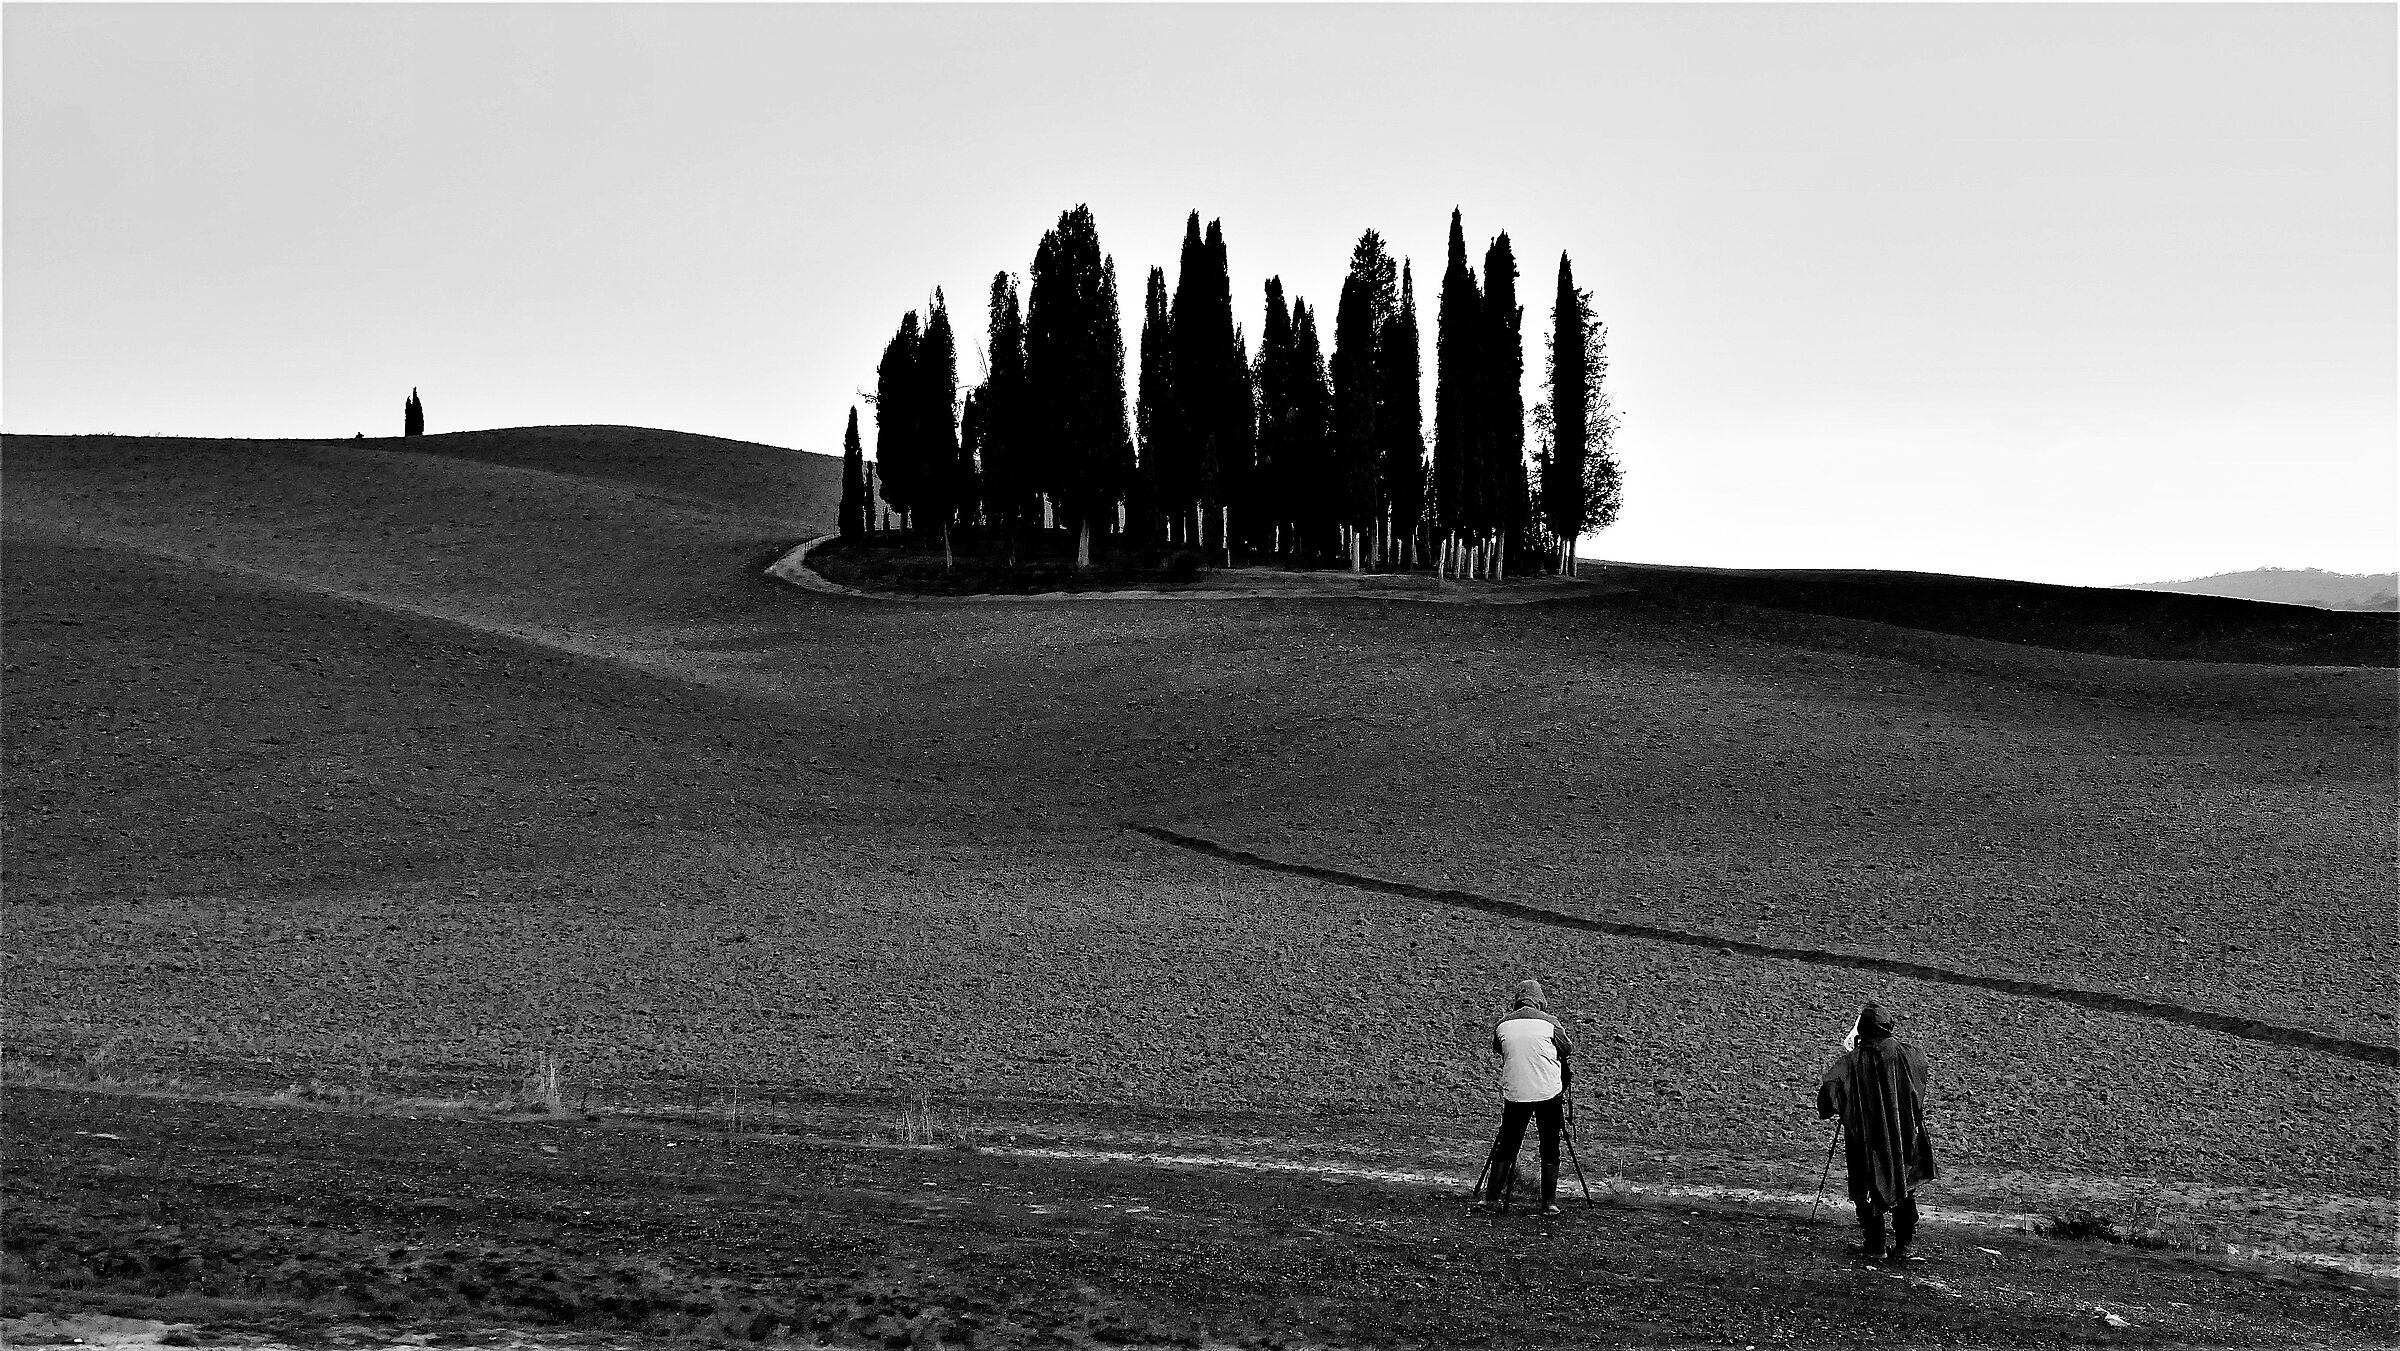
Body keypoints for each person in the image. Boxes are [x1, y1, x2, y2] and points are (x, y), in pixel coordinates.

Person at [1817, 1000, 1937, 1260]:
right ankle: (1904, 1244)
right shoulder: (1910, 1054)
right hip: (1903, 1135)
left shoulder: (1852, 1061)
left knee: (1865, 1184)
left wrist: (1840, 1108)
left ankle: (1875, 1243)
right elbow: (1920, 1080)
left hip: (1865, 1139)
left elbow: (1830, 1090)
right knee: (1903, 1184)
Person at [1477, 978, 1576, 1216]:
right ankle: (1549, 1203)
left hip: (1516, 1092)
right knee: (1550, 1145)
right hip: (1548, 1092)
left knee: (1507, 1145)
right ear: (1540, 1000)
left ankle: (1490, 1200)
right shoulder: (1550, 1023)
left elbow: (1499, 1048)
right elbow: (1567, 1048)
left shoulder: (1503, 1023)